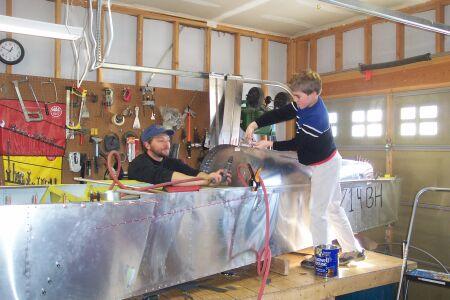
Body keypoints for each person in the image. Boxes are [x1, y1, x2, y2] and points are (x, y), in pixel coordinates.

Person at [245, 70, 365, 267]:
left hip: (325, 165)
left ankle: (322, 256)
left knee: (318, 212)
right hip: (329, 160)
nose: (296, 100)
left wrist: (270, 145)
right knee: (333, 207)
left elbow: (298, 144)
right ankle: (353, 249)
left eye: (298, 97)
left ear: (314, 94)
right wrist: (255, 124)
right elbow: (282, 112)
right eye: (294, 96)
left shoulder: (316, 118)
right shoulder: (305, 103)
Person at [129, 124, 228, 186]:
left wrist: (212, 177)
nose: (167, 144)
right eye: (160, 140)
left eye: (168, 140)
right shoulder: (139, 164)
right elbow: (167, 177)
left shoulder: (171, 162)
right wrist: (206, 180)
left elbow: (193, 173)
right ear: (147, 145)